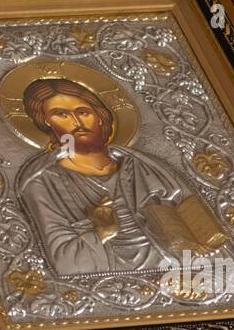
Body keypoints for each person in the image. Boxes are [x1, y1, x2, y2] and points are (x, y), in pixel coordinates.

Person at [14, 79, 192, 277]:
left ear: (100, 116)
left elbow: (202, 227)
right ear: (46, 123)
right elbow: (66, 265)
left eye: (83, 112)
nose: (77, 122)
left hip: (182, 270)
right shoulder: (42, 181)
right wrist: (101, 232)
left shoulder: (145, 166)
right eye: (61, 114)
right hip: (110, 279)